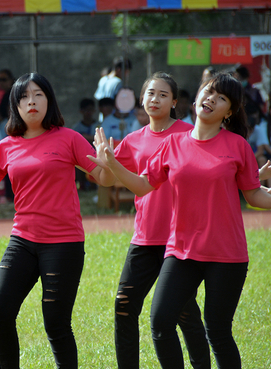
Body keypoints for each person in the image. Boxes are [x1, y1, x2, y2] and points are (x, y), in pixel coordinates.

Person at [91, 72, 271, 368]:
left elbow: (254, 195)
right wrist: (112, 162)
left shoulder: (237, 146)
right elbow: (142, 185)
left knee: (217, 332)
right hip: (180, 253)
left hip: (226, 254)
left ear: (228, 112)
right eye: (209, 92)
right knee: (161, 322)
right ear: (197, 97)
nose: (211, 99)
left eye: (221, 98)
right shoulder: (173, 144)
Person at [0, 72, 115, 368]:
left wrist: (108, 163)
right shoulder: (6, 146)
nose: (31, 101)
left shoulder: (69, 138)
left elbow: (103, 177)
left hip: (63, 244)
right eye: (23, 96)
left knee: (56, 324)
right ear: (15, 106)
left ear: (49, 100)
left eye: (38, 94)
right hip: (22, 241)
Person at [93, 72, 210, 369]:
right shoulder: (133, 140)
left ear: (174, 101)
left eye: (162, 94)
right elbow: (106, 179)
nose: (154, 99)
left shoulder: (189, 134)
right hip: (144, 239)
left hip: (179, 241)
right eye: (149, 94)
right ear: (141, 100)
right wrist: (104, 161)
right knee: (123, 306)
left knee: (185, 313)